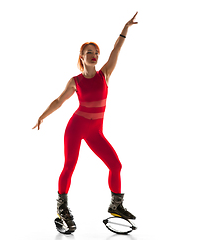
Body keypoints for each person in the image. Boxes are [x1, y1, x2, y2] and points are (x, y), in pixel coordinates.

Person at [33, 12, 138, 232]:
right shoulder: (75, 81)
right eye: (89, 52)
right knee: (70, 166)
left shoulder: (105, 74)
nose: (94, 55)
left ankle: (116, 205)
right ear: (81, 56)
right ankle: (62, 208)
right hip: (76, 127)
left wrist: (125, 29)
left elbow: (116, 50)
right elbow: (58, 100)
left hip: (95, 132)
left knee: (116, 165)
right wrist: (43, 115)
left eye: (96, 53)